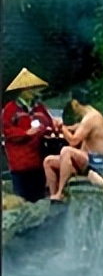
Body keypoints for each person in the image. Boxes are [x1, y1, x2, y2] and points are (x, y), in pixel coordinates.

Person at [44, 88, 103, 203]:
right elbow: (76, 128)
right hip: (90, 160)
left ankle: (60, 192)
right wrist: (58, 127)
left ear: (75, 103)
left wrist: (62, 127)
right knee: (48, 161)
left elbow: (73, 141)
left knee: (66, 151)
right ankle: (54, 196)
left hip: (101, 162)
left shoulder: (92, 117)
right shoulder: (88, 118)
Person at [3, 68, 58, 203]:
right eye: (33, 89)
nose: (35, 92)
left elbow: (49, 123)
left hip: (38, 163)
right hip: (20, 165)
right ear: (24, 90)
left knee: (39, 200)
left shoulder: (39, 108)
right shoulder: (10, 110)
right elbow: (7, 132)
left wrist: (49, 129)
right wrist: (26, 133)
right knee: (21, 201)